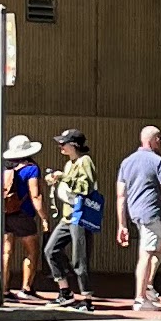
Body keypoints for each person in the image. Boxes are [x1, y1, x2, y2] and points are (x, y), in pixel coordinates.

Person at [114, 125, 161, 313]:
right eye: (160, 140)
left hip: (135, 213)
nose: (160, 144)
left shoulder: (126, 162)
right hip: (151, 212)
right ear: (154, 140)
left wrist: (122, 224)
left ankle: (148, 285)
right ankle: (140, 297)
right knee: (146, 254)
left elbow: (121, 195)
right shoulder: (158, 161)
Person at [44, 128, 102, 307]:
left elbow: (86, 187)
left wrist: (65, 178)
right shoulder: (70, 164)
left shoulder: (85, 161)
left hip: (80, 217)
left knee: (80, 259)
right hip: (67, 217)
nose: (60, 146)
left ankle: (87, 300)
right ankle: (65, 291)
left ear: (74, 145)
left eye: (63, 143)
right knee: (50, 250)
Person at [0, 132, 47, 299]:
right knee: (32, 251)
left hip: (2, 213)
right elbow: (35, 195)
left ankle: (4, 290)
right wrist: (44, 217)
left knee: (6, 251)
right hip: (23, 215)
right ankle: (26, 289)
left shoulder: (4, 168)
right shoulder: (31, 169)